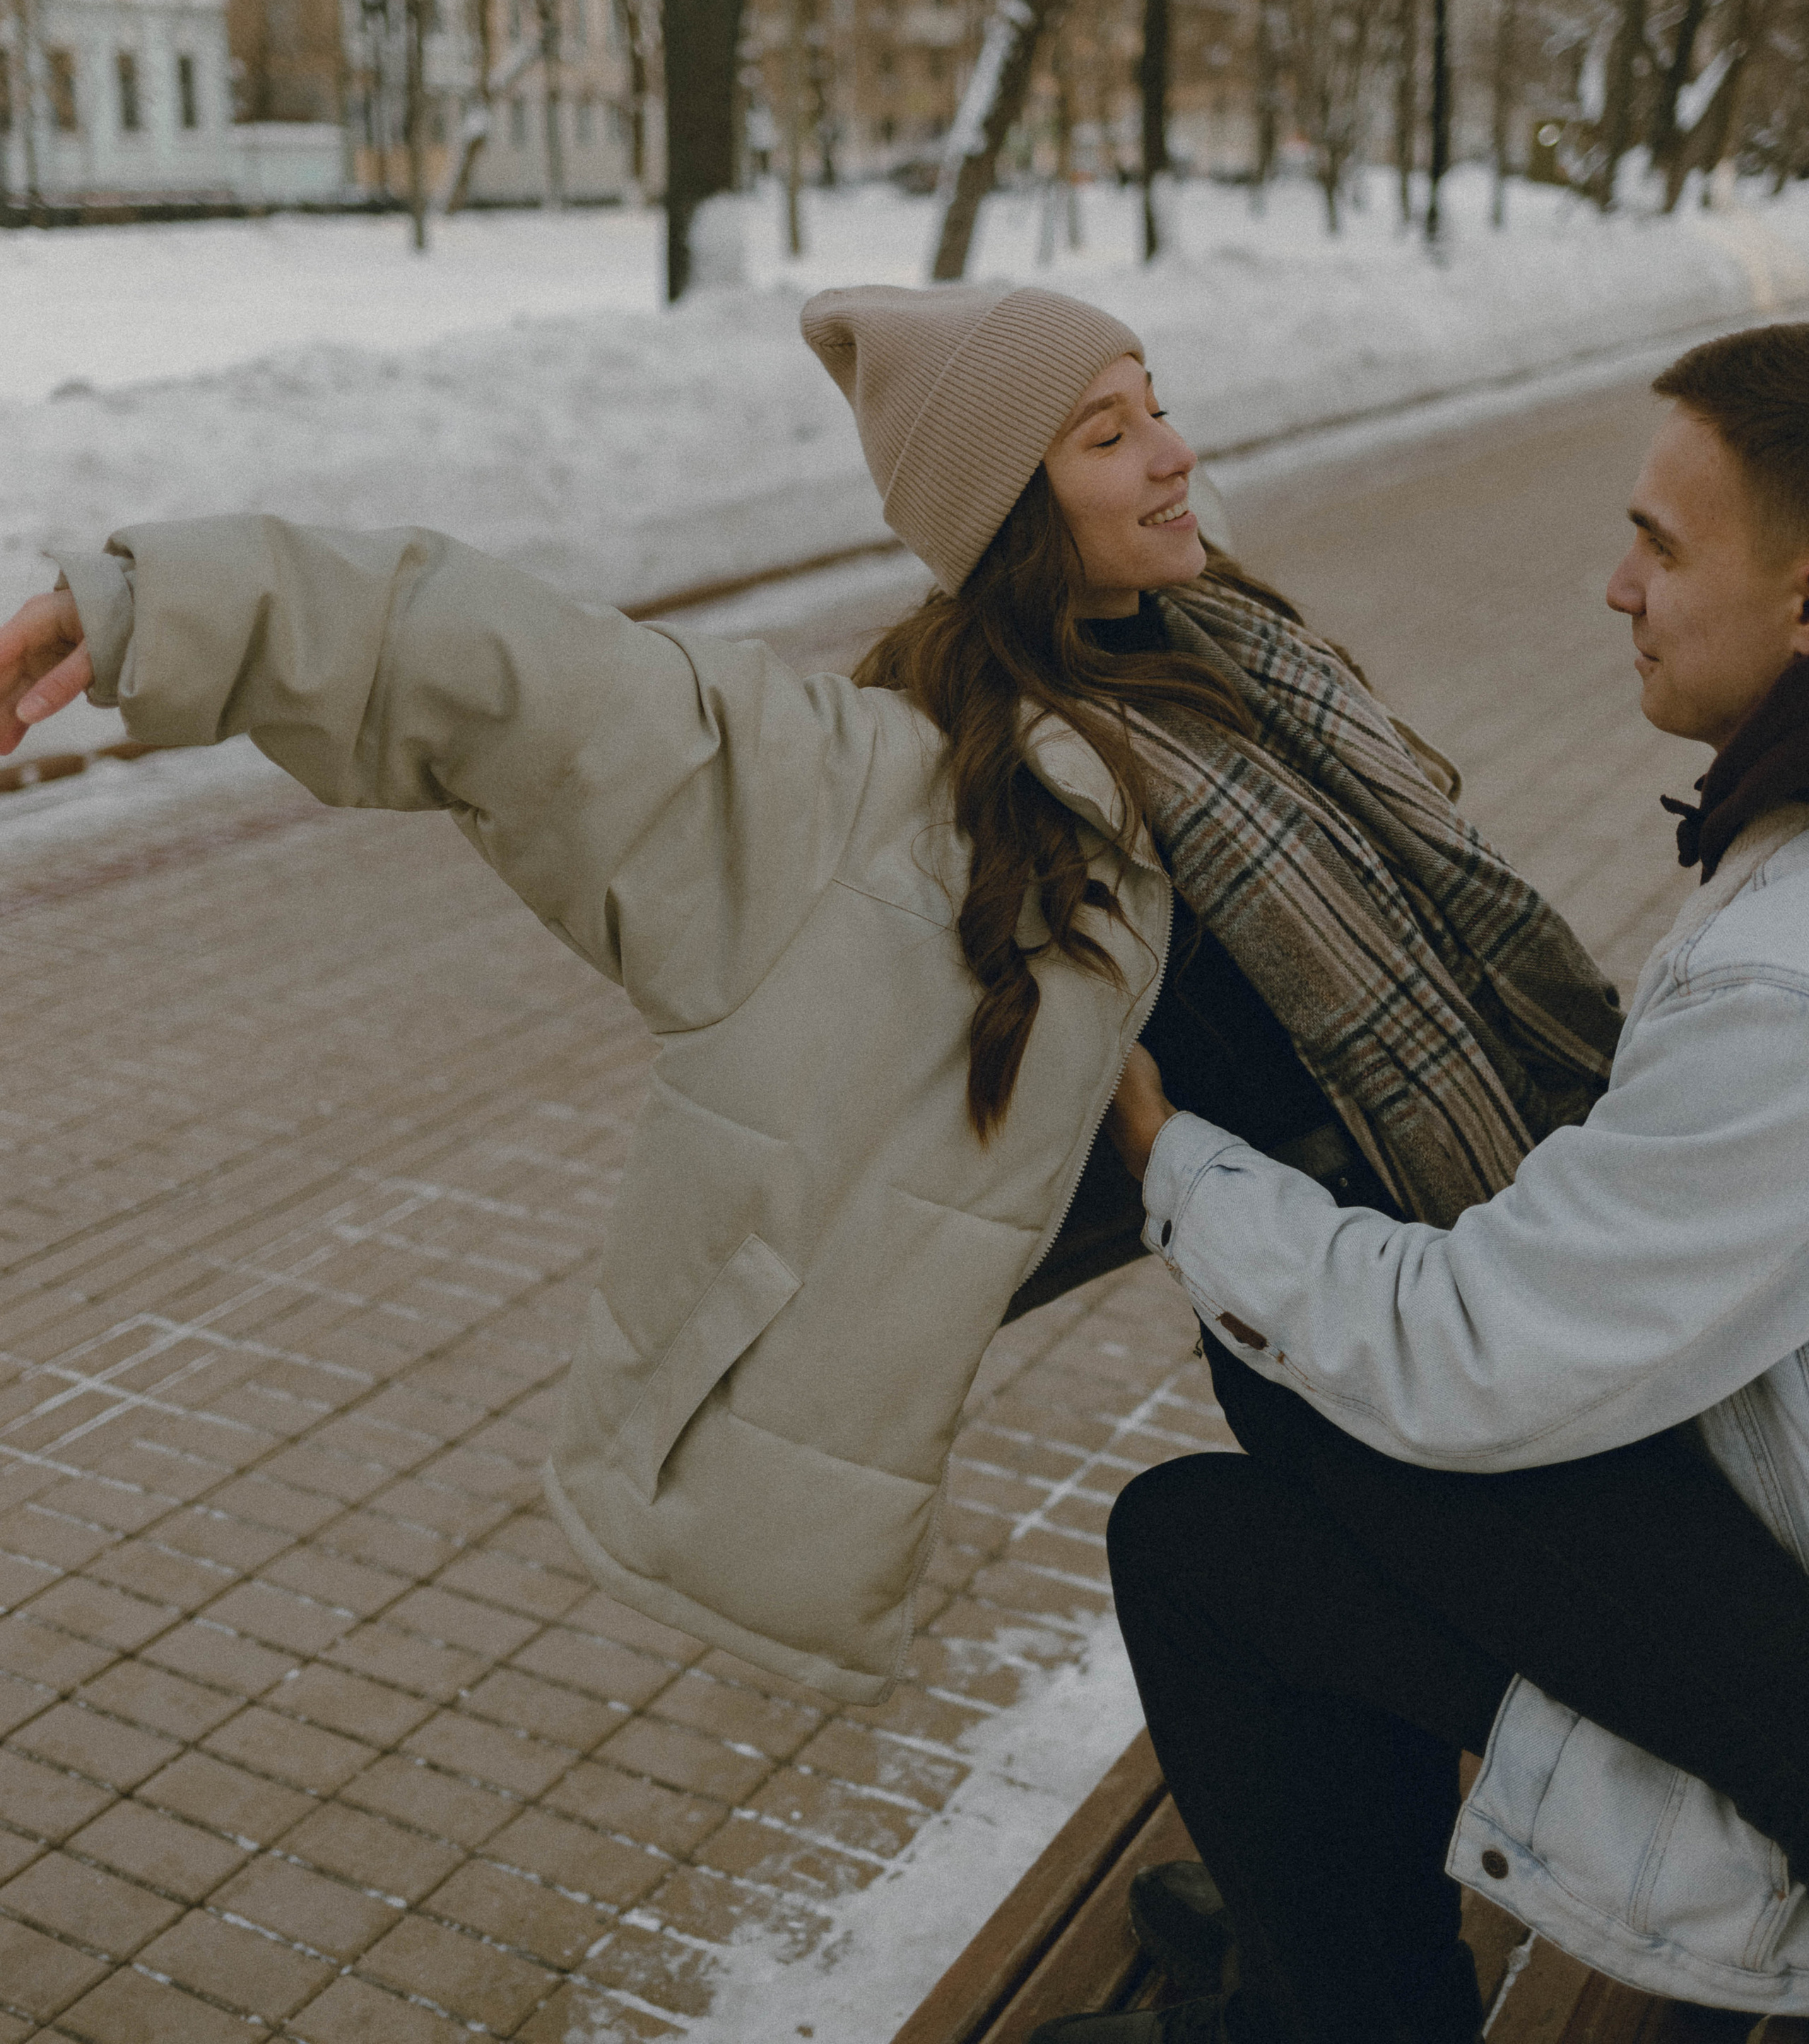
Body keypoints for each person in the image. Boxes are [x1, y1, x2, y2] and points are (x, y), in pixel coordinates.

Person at [0, 287, 1803, 2035]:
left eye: (1159, 403)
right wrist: (158, 606)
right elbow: (539, 685)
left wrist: (1188, 1154)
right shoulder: (934, 782)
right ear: (1011, 510)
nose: (1173, 453)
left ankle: (1331, 1949)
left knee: (1212, 1572)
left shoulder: (1238, 661)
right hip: (1391, 1363)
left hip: (1488, 1356)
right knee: (1207, 1563)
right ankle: (1321, 1952)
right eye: (1105, 435)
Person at [1062, 322, 1809, 2044]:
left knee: (1260, 1467)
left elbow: (1475, 1353)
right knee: (1265, 1466)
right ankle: (1317, 1906)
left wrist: (1171, 1160)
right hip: (1735, 1524)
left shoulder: (1781, 983)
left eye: (1658, 545)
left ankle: (1335, 1967)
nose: (1613, 587)